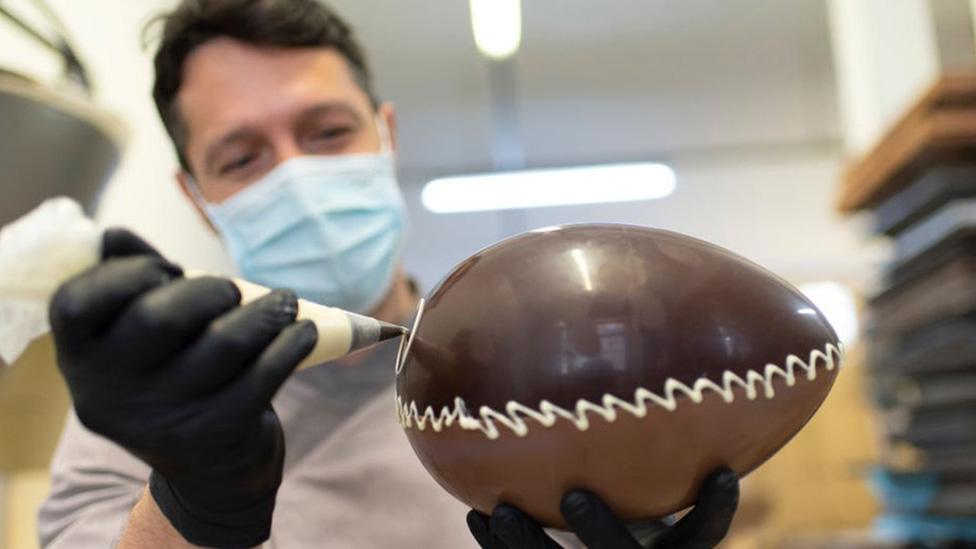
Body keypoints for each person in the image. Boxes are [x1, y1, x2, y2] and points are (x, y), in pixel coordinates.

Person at [38, 1, 739, 547]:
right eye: (243, 157)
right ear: (196, 195)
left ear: (387, 136)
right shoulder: (147, 413)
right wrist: (192, 508)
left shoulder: (538, 378)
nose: (298, 176)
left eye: (328, 132)